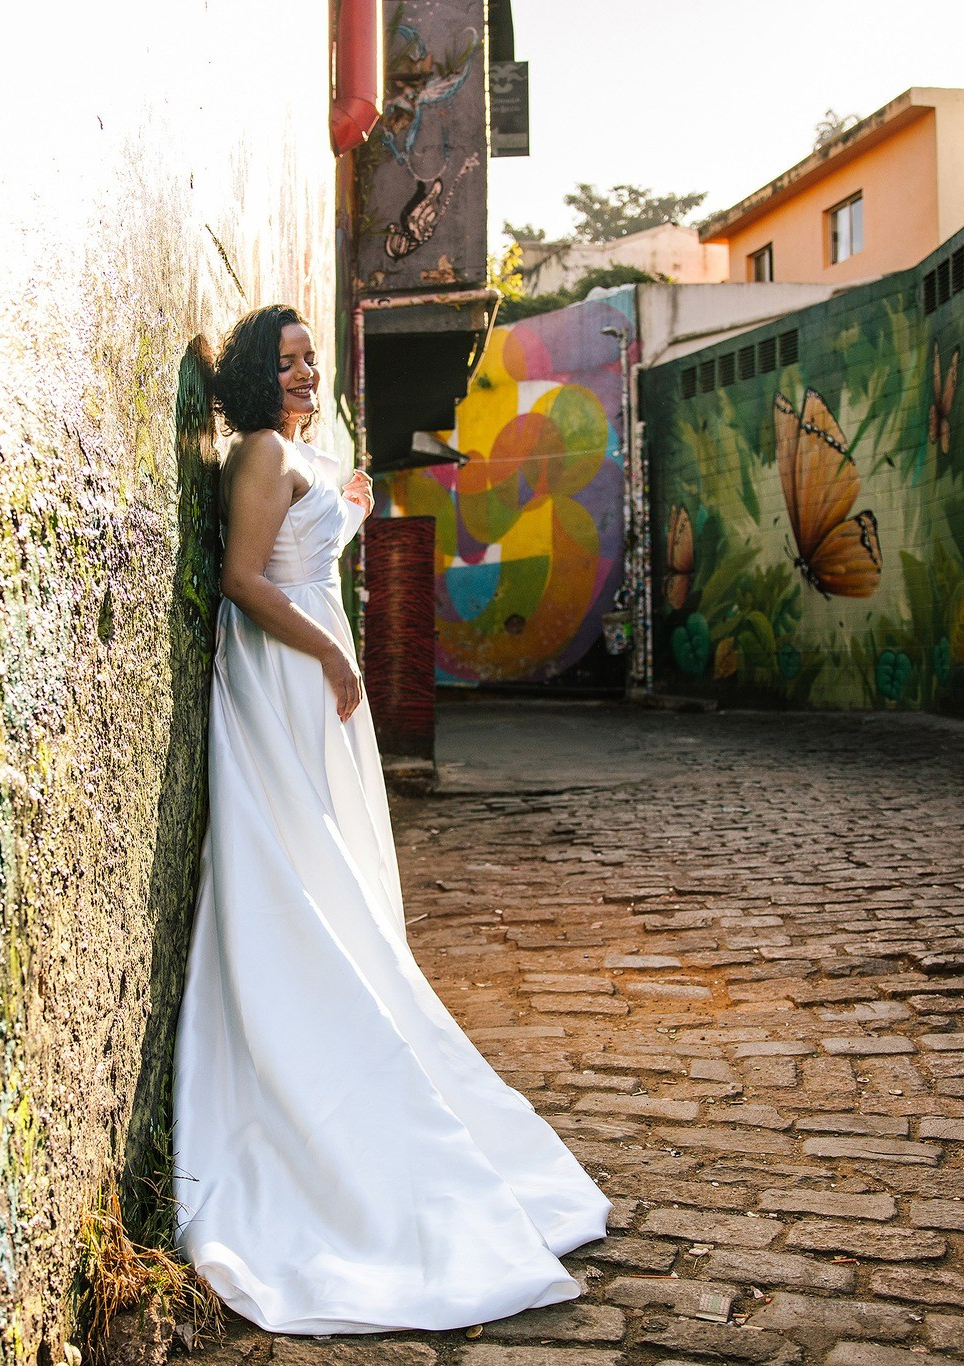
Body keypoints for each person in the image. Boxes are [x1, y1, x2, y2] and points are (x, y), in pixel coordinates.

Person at [172, 304, 610, 1334]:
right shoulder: (259, 451)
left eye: (307, 358)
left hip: (315, 675)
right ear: (248, 376)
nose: (301, 370)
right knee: (296, 861)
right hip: (280, 679)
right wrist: (329, 652)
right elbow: (242, 580)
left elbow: (304, 532)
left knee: (341, 869)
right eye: (282, 361)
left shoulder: (302, 452)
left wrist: (348, 499)